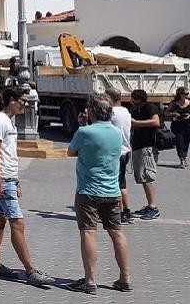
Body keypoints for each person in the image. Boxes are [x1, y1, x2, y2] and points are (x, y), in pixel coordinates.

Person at [0, 87, 54, 285]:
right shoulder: (0, 121)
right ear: (11, 100)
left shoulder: (8, 121)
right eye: (22, 100)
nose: (25, 104)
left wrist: (15, 181)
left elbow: (7, 154)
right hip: (2, 179)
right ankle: (30, 271)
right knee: (17, 222)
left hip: (7, 178)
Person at [63, 94, 132, 295]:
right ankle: (125, 278)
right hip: (112, 191)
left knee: (88, 232)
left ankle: (90, 280)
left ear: (92, 111)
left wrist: (82, 125)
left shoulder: (85, 132)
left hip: (88, 191)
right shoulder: (116, 132)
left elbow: (70, 152)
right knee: (117, 232)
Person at [128, 89, 161, 220]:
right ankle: (149, 205)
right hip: (138, 146)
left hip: (147, 147)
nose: (135, 105)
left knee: (147, 177)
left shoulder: (149, 107)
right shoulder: (135, 109)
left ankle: (153, 207)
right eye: (134, 102)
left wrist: (136, 123)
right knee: (142, 177)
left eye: (137, 103)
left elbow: (156, 122)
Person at [105, 88, 134, 225]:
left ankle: (121, 212)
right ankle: (127, 210)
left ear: (110, 98)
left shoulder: (112, 113)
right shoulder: (126, 111)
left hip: (116, 152)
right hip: (126, 150)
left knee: (116, 183)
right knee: (122, 182)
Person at [164, 87, 190, 168]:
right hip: (177, 126)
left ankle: (184, 158)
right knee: (179, 142)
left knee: (186, 142)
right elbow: (166, 113)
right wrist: (174, 114)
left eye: (187, 93)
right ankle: (182, 159)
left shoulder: (189, 102)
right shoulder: (174, 103)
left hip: (188, 125)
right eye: (185, 94)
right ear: (180, 94)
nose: (187, 95)